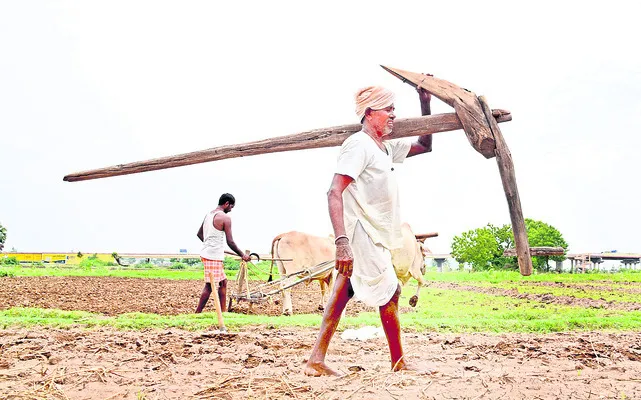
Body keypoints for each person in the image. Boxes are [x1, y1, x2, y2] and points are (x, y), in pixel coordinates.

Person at [304, 84, 434, 376]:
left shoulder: (385, 148)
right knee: (391, 292)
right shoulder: (358, 145)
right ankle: (399, 363)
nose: (393, 115)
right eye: (388, 109)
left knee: (342, 291)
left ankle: (316, 359)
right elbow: (334, 192)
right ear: (369, 112)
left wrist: (424, 101)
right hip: (360, 233)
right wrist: (342, 243)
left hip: (374, 234)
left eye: (393, 109)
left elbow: (425, 146)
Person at [196, 193, 251, 313]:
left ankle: (223, 311)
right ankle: (198, 313)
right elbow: (230, 241)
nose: (230, 210)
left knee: (223, 282)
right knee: (210, 285)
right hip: (212, 255)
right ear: (226, 203)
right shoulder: (225, 218)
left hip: (209, 253)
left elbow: (200, 234)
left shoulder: (209, 215)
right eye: (231, 207)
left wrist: (210, 244)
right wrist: (243, 255)